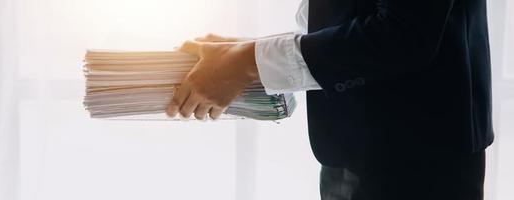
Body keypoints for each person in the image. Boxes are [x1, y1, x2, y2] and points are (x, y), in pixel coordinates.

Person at [166, 0, 493, 199]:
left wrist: (248, 62)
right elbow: (351, 16)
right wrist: (245, 55)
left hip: (419, 162)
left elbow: (405, 33)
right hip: (353, 148)